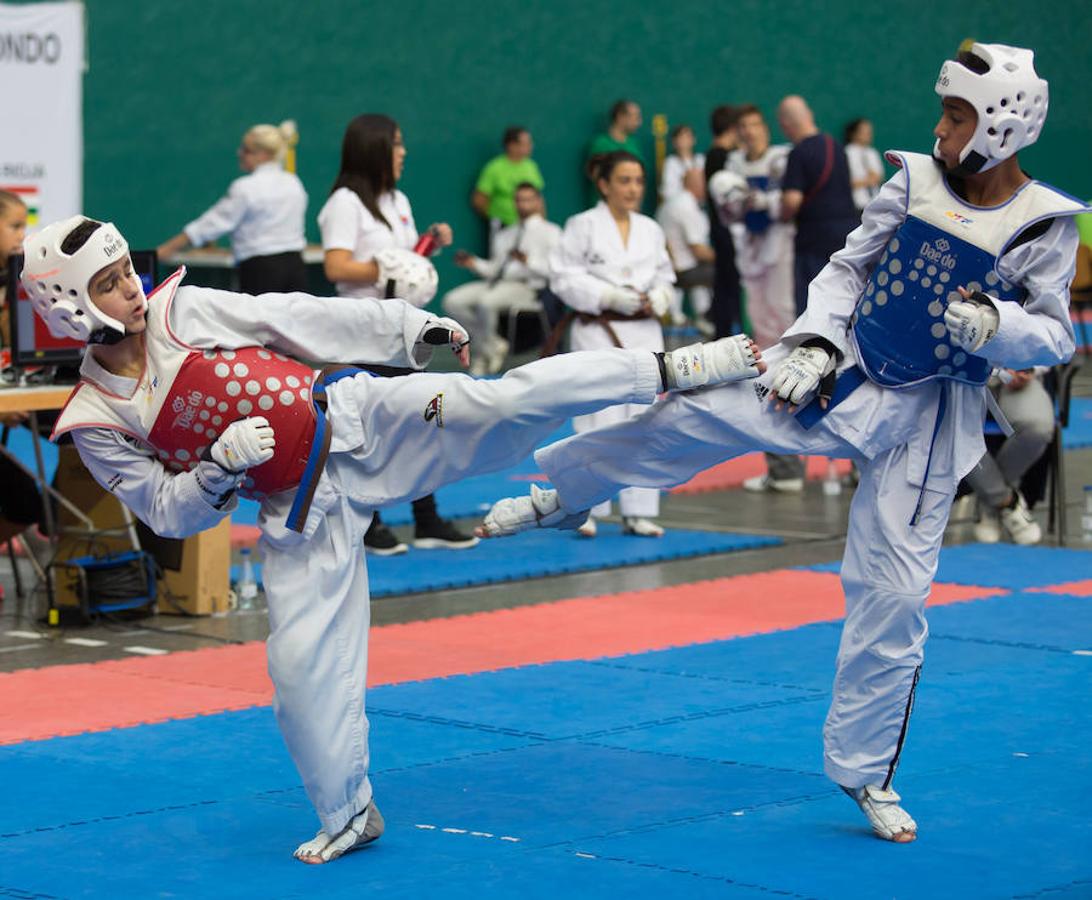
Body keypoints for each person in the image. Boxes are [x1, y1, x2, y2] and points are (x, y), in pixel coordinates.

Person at [479, 42, 1087, 843]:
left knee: (894, 596)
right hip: (848, 373)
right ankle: (566, 495)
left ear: (1002, 126)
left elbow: (1053, 335)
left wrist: (996, 326)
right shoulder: (912, 181)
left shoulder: (1044, 221)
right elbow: (845, 270)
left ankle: (866, 773)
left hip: (931, 421)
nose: (940, 127)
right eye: (944, 110)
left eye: (957, 115)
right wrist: (814, 344)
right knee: (696, 414)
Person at [23, 214, 762, 862]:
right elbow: (166, 513)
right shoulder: (96, 420)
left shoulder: (185, 307)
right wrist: (215, 472)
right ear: (71, 308)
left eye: (127, 272)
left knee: (502, 401)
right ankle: (347, 813)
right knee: (300, 673)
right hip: (296, 511)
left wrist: (410, 331)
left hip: (358, 417)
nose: (131, 289)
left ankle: (669, 368)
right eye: (111, 283)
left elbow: (300, 318)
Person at [317, 113, 471, 555]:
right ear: (375, 149)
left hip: (403, 326)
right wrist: (386, 268)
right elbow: (337, 265)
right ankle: (369, 522)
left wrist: (425, 246)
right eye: (397, 144)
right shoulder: (345, 203)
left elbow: (403, 260)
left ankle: (426, 519)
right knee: (369, 427)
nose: (403, 152)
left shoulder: (397, 199)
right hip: (361, 328)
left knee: (418, 420)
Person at [550, 150, 675, 538]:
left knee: (644, 421)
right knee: (595, 419)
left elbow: (666, 276)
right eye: (624, 180)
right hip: (598, 332)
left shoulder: (651, 229)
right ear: (603, 184)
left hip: (644, 332)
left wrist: (663, 296)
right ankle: (585, 507)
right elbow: (561, 277)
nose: (633, 188)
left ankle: (638, 510)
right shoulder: (581, 225)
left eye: (638, 181)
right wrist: (605, 295)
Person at [710, 105, 803, 492]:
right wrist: (750, 201)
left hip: (781, 254)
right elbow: (730, 212)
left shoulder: (782, 159)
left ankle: (796, 459)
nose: (749, 133)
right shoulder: (729, 166)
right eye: (742, 127)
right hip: (750, 257)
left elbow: (785, 207)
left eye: (754, 125)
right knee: (762, 347)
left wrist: (757, 201)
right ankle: (780, 462)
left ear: (764, 128)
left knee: (787, 340)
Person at [156, 122, 308, 295]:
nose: (240, 153)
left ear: (263, 155)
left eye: (246, 150)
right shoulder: (294, 183)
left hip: (261, 272)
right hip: (296, 270)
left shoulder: (246, 188)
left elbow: (211, 224)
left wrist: (165, 250)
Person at [444, 183, 561, 375]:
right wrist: (473, 263)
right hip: (499, 284)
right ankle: (492, 345)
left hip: (529, 288)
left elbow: (555, 271)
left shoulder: (551, 232)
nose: (523, 204)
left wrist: (528, 261)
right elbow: (495, 270)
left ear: (538, 201)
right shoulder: (506, 234)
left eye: (528, 199)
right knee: (453, 301)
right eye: (519, 200)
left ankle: (483, 353)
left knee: (486, 303)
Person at [777, 96, 859, 318]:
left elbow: (792, 200)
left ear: (785, 125)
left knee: (812, 307)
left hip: (813, 240)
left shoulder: (798, 153)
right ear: (810, 115)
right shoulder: (836, 146)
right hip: (847, 234)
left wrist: (781, 214)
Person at [965, 367, 1052, 543]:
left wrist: (1028, 367)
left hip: (1017, 378)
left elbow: (1055, 345)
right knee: (949, 430)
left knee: (1038, 428)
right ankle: (1005, 502)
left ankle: (988, 501)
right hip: (960, 380)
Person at [704, 105, 744, 339]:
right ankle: (726, 334)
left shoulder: (713, 154)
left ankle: (723, 333)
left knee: (724, 283)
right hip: (727, 230)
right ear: (732, 128)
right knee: (729, 283)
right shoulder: (722, 156)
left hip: (719, 229)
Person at [657, 169, 714, 330]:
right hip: (682, 271)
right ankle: (712, 320)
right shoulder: (685, 206)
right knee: (729, 273)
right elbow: (699, 250)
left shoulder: (675, 202)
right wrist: (728, 259)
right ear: (696, 184)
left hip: (675, 266)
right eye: (704, 182)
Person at [470, 127, 545, 248]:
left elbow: (539, 198)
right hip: (503, 226)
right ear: (511, 145)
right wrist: (497, 218)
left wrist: (541, 222)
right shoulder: (494, 168)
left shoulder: (531, 166)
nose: (530, 146)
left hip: (530, 227)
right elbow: (479, 200)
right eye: (525, 143)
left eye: (530, 143)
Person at [586, 100, 645, 206]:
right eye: (635, 117)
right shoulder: (601, 144)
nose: (639, 122)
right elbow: (597, 176)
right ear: (620, 117)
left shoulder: (634, 144)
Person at [844, 118, 885, 214]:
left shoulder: (872, 153)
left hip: (874, 203)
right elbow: (846, 182)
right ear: (853, 133)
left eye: (869, 131)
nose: (868, 135)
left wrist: (870, 179)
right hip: (856, 205)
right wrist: (867, 181)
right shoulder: (846, 153)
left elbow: (879, 177)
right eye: (864, 131)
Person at [659, 123, 705, 204]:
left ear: (694, 140)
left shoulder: (701, 159)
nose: (684, 140)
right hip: (678, 206)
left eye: (687, 136)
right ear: (674, 142)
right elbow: (668, 192)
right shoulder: (670, 162)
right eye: (681, 137)